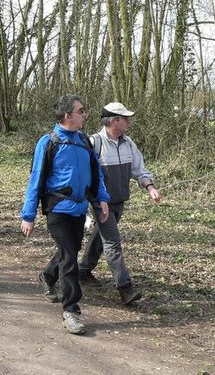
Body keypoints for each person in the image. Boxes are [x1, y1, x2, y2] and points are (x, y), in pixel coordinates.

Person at [20, 94, 110, 335]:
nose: (85, 115)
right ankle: (71, 310)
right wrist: (28, 215)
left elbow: (96, 173)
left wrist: (101, 199)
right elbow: (36, 179)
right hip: (57, 210)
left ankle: (48, 276)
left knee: (68, 251)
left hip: (79, 210)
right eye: (81, 111)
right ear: (68, 115)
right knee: (70, 257)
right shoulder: (48, 142)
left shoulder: (84, 141)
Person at [78, 102, 162, 305]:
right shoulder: (93, 143)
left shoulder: (128, 143)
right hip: (101, 203)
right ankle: (125, 288)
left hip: (119, 201)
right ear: (114, 121)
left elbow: (139, 169)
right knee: (112, 242)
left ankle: (83, 270)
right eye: (125, 118)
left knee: (102, 236)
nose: (129, 121)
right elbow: (84, 175)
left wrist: (150, 187)